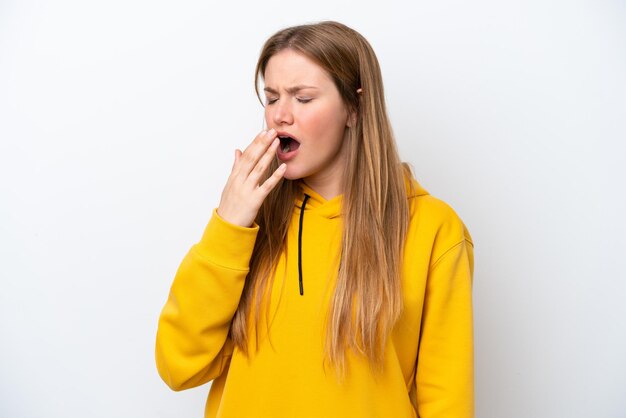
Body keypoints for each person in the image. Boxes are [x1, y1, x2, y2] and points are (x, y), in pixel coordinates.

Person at [155, 21, 474, 418]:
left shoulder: (432, 228)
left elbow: (447, 403)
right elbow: (178, 367)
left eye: (303, 98)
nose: (280, 116)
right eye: (271, 98)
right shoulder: (248, 223)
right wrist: (229, 226)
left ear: (354, 109)